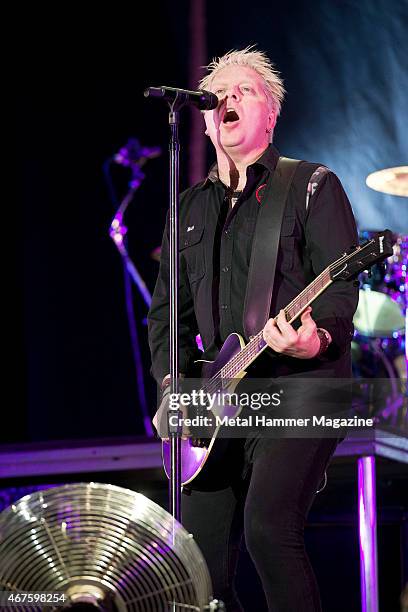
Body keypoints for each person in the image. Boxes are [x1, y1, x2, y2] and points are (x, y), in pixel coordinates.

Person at [148, 47, 358, 612]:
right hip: (217, 399)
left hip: (300, 385)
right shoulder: (187, 206)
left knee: (268, 530)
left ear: (272, 115)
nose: (231, 97)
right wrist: (173, 388)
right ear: (205, 117)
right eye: (222, 91)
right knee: (194, 567)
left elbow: (339, 291)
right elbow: (167, 317)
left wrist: (315, 338)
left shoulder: (312, 185)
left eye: (247, 90)